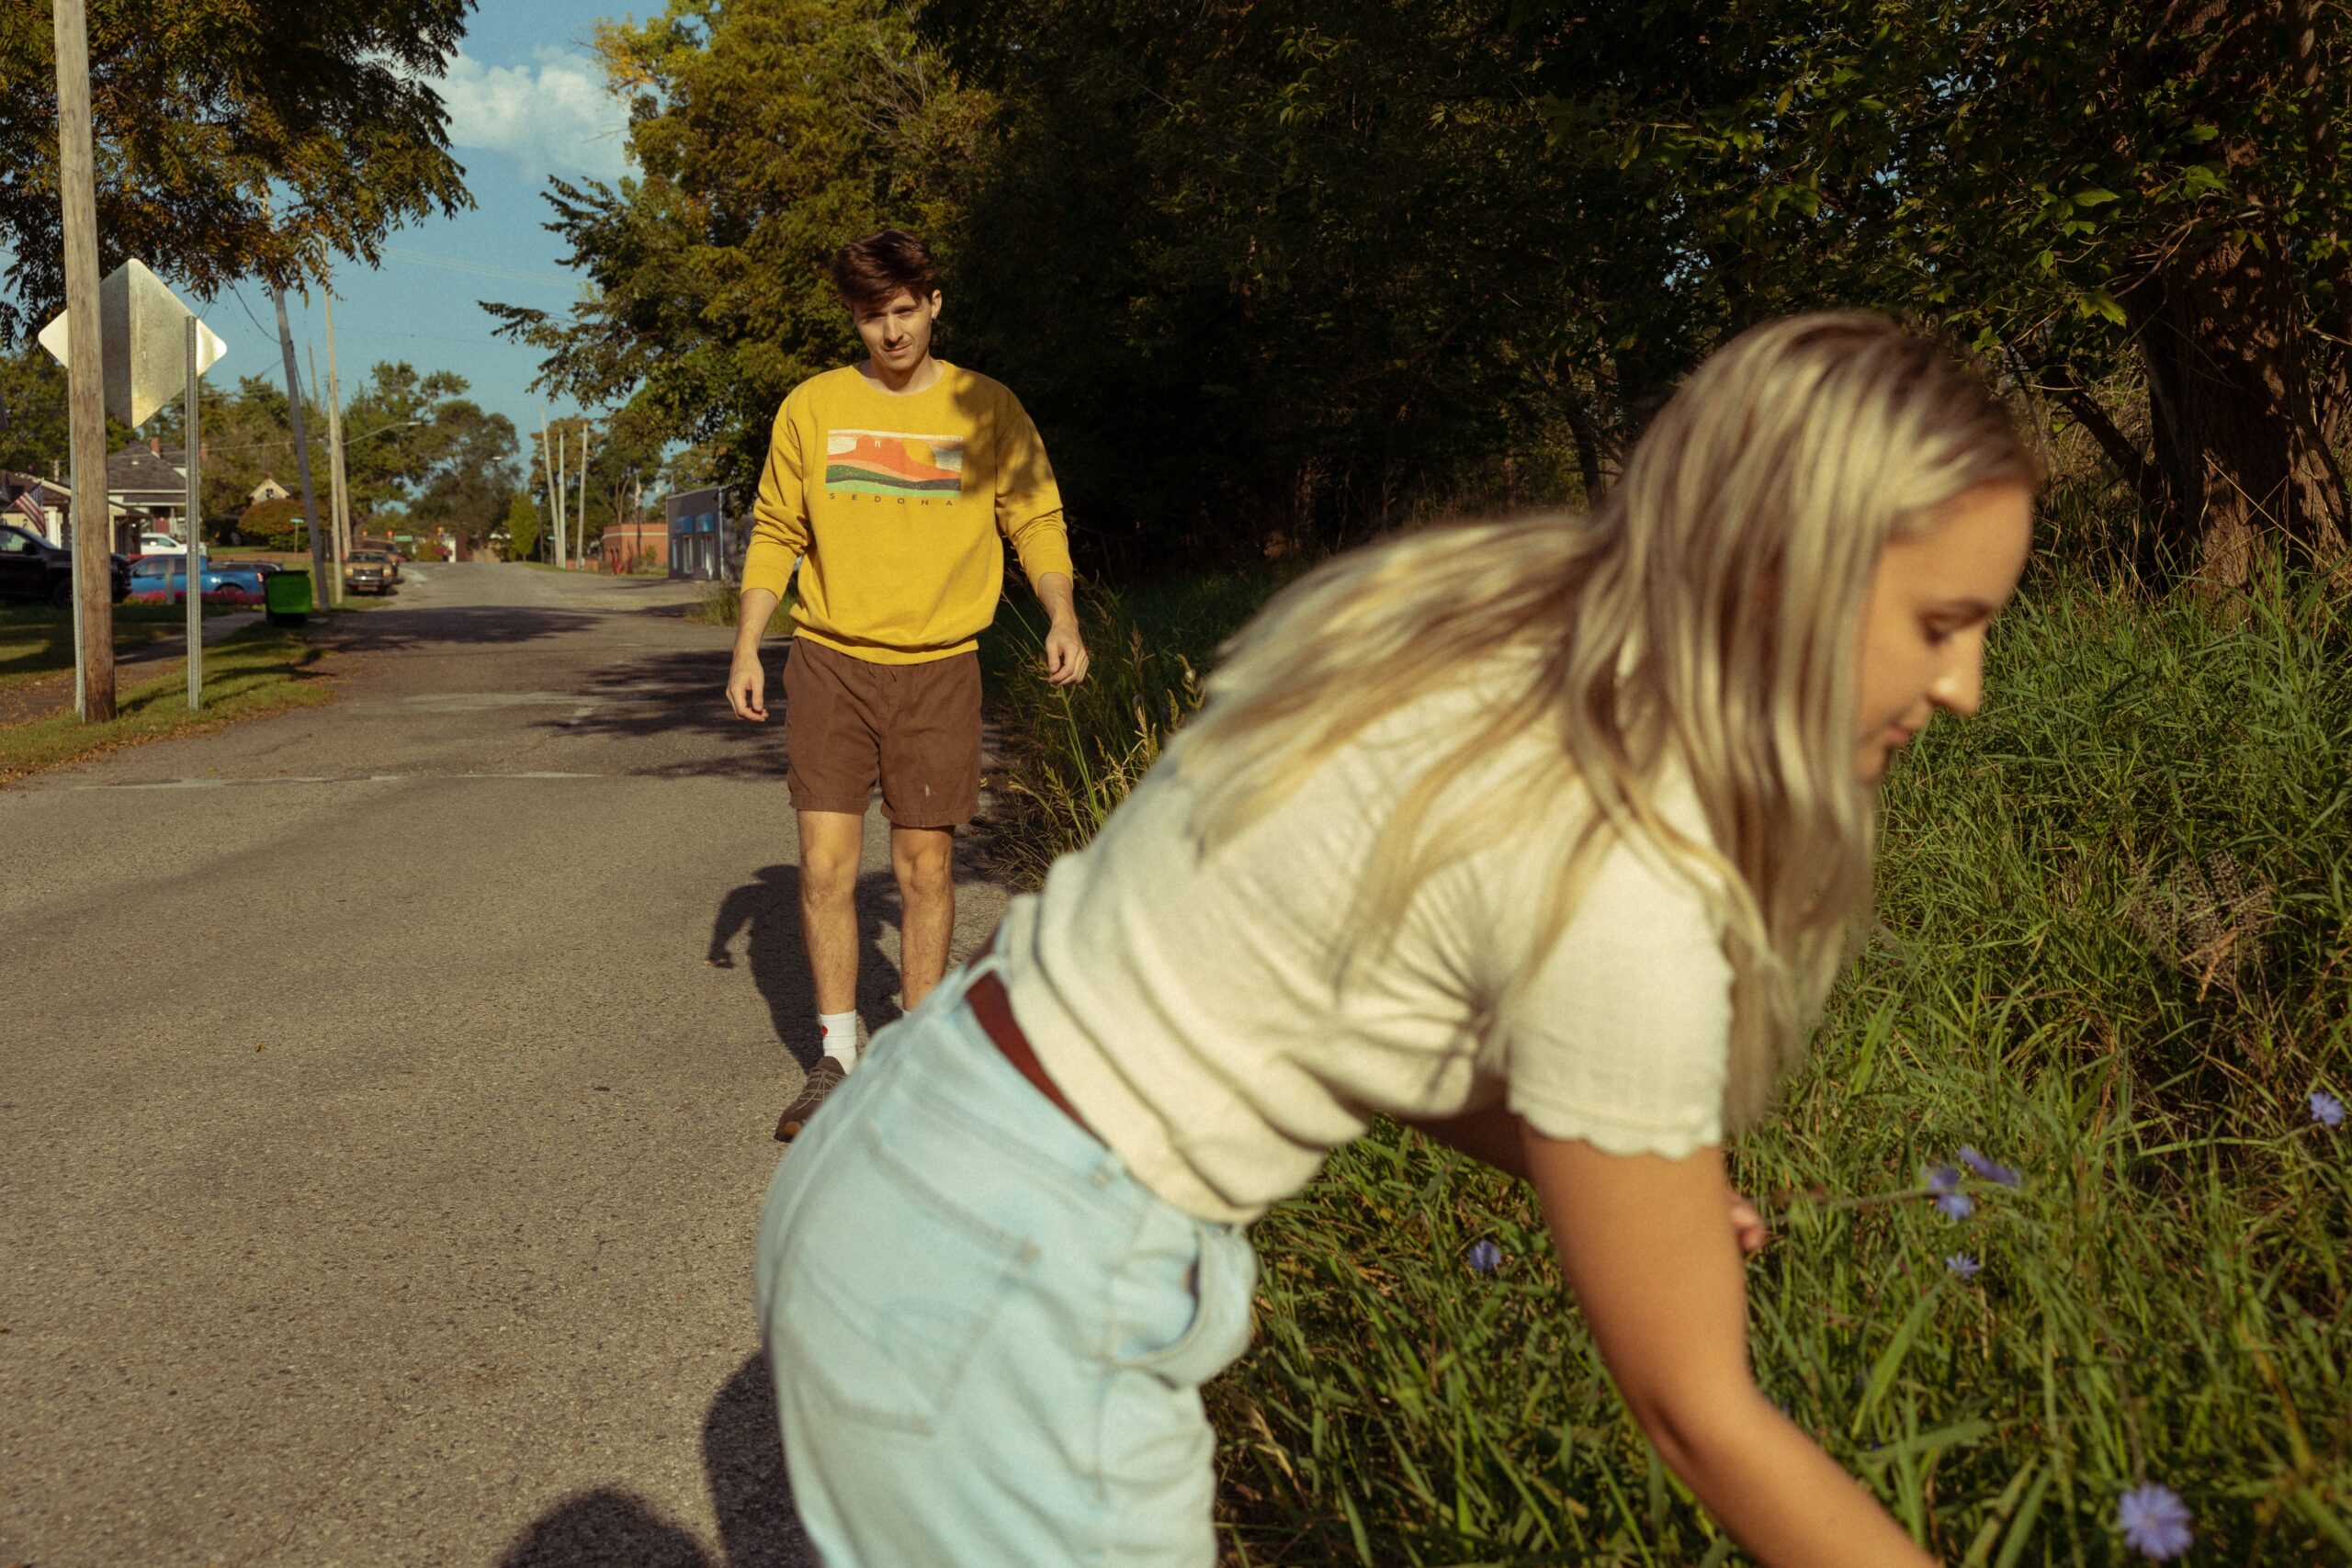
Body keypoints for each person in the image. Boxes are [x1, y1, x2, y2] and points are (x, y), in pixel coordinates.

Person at [752, 313, 2037, 1566]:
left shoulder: (1498, 631)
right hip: (1012, 1287)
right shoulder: (1632, 863)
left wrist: (1601, 1166)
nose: (1967, 686)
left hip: (908, 1156)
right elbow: (1699, 1414)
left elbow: (1334, 1005)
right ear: (1780, 568)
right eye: (1941, 622)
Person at [726, 229, 1090, 1141]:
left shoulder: (986, 407)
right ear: (853, 318)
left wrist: (1062, 613)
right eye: (869, 317)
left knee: (924, 866)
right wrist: (746, 642)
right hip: (831, 661)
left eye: (902, 311)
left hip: (938, 667)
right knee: (824, 865)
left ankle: (921, 1056)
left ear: (931, 303)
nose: (888, 333)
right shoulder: (813, 408)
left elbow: (1033, 516)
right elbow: (776, 528)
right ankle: (838, 1053)